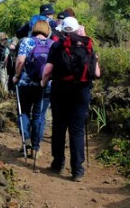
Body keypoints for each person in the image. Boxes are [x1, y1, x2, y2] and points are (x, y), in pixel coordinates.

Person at [41, 16, 100, 182]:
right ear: (77, 29)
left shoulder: (57, 46)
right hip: (81, 91)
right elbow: (96, 73)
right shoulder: (88, 46)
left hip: (60, 90)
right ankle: (77, 170)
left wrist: (43, 82)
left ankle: (58, 163)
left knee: (59, 127)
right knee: (77, 129)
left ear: (62, 30)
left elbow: (47, 71)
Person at [12, 19, 54, 159]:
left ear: (34, 28)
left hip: (26, 84)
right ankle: (36, 148)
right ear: (47, 30)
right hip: (45, 85)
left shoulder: (26, 42)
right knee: (39, 116)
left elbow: (20, 61)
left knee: (23, 112)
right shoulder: (53, 44)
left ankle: (26, 140)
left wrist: (17, 76)